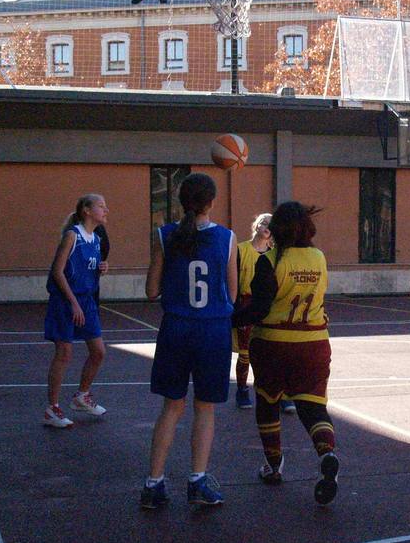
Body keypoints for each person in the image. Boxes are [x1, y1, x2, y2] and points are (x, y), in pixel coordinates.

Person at [232, 201, 340, 505]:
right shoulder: (319, 258)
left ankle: (274, 465)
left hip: (274, 343)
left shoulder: (270, 261)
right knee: (313, 408)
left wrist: (228, 318)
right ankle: (327, 453)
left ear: (277, 228)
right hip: (315, 343)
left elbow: (259, 308)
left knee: (267, 403)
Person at [141, 173, 237, 509]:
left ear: (182, 201)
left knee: (171, 407)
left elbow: (151, 291)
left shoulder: (164, 236)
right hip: (212, 330)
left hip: (177, 328)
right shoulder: (226, 238)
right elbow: (232, 294)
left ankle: (153, 484)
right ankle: (197, 480)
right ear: (211, 202)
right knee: (205, 408)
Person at [43, 194, 110, 428]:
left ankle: (82, 396)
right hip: (66, 301)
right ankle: (52, 409)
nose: (106, 210)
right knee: (64, 353)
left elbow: (86, 270)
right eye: (101, 206)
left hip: (87, 300)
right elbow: (57, 272)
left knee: (99, 351)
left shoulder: (97, 240)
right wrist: (72, 302)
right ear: (86, 210)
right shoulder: (72, 235)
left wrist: (102, 268)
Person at [233, 212, 272, 409]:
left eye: (271, 223)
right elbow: (231, 280)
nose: (267, 225)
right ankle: (242, 390)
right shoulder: (241, 250)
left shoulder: (275, 253)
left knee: (271, 352)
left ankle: (276, 393)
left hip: (268, 306)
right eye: (264, 222)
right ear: (256, 225)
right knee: (245, 354)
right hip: (246, 304)